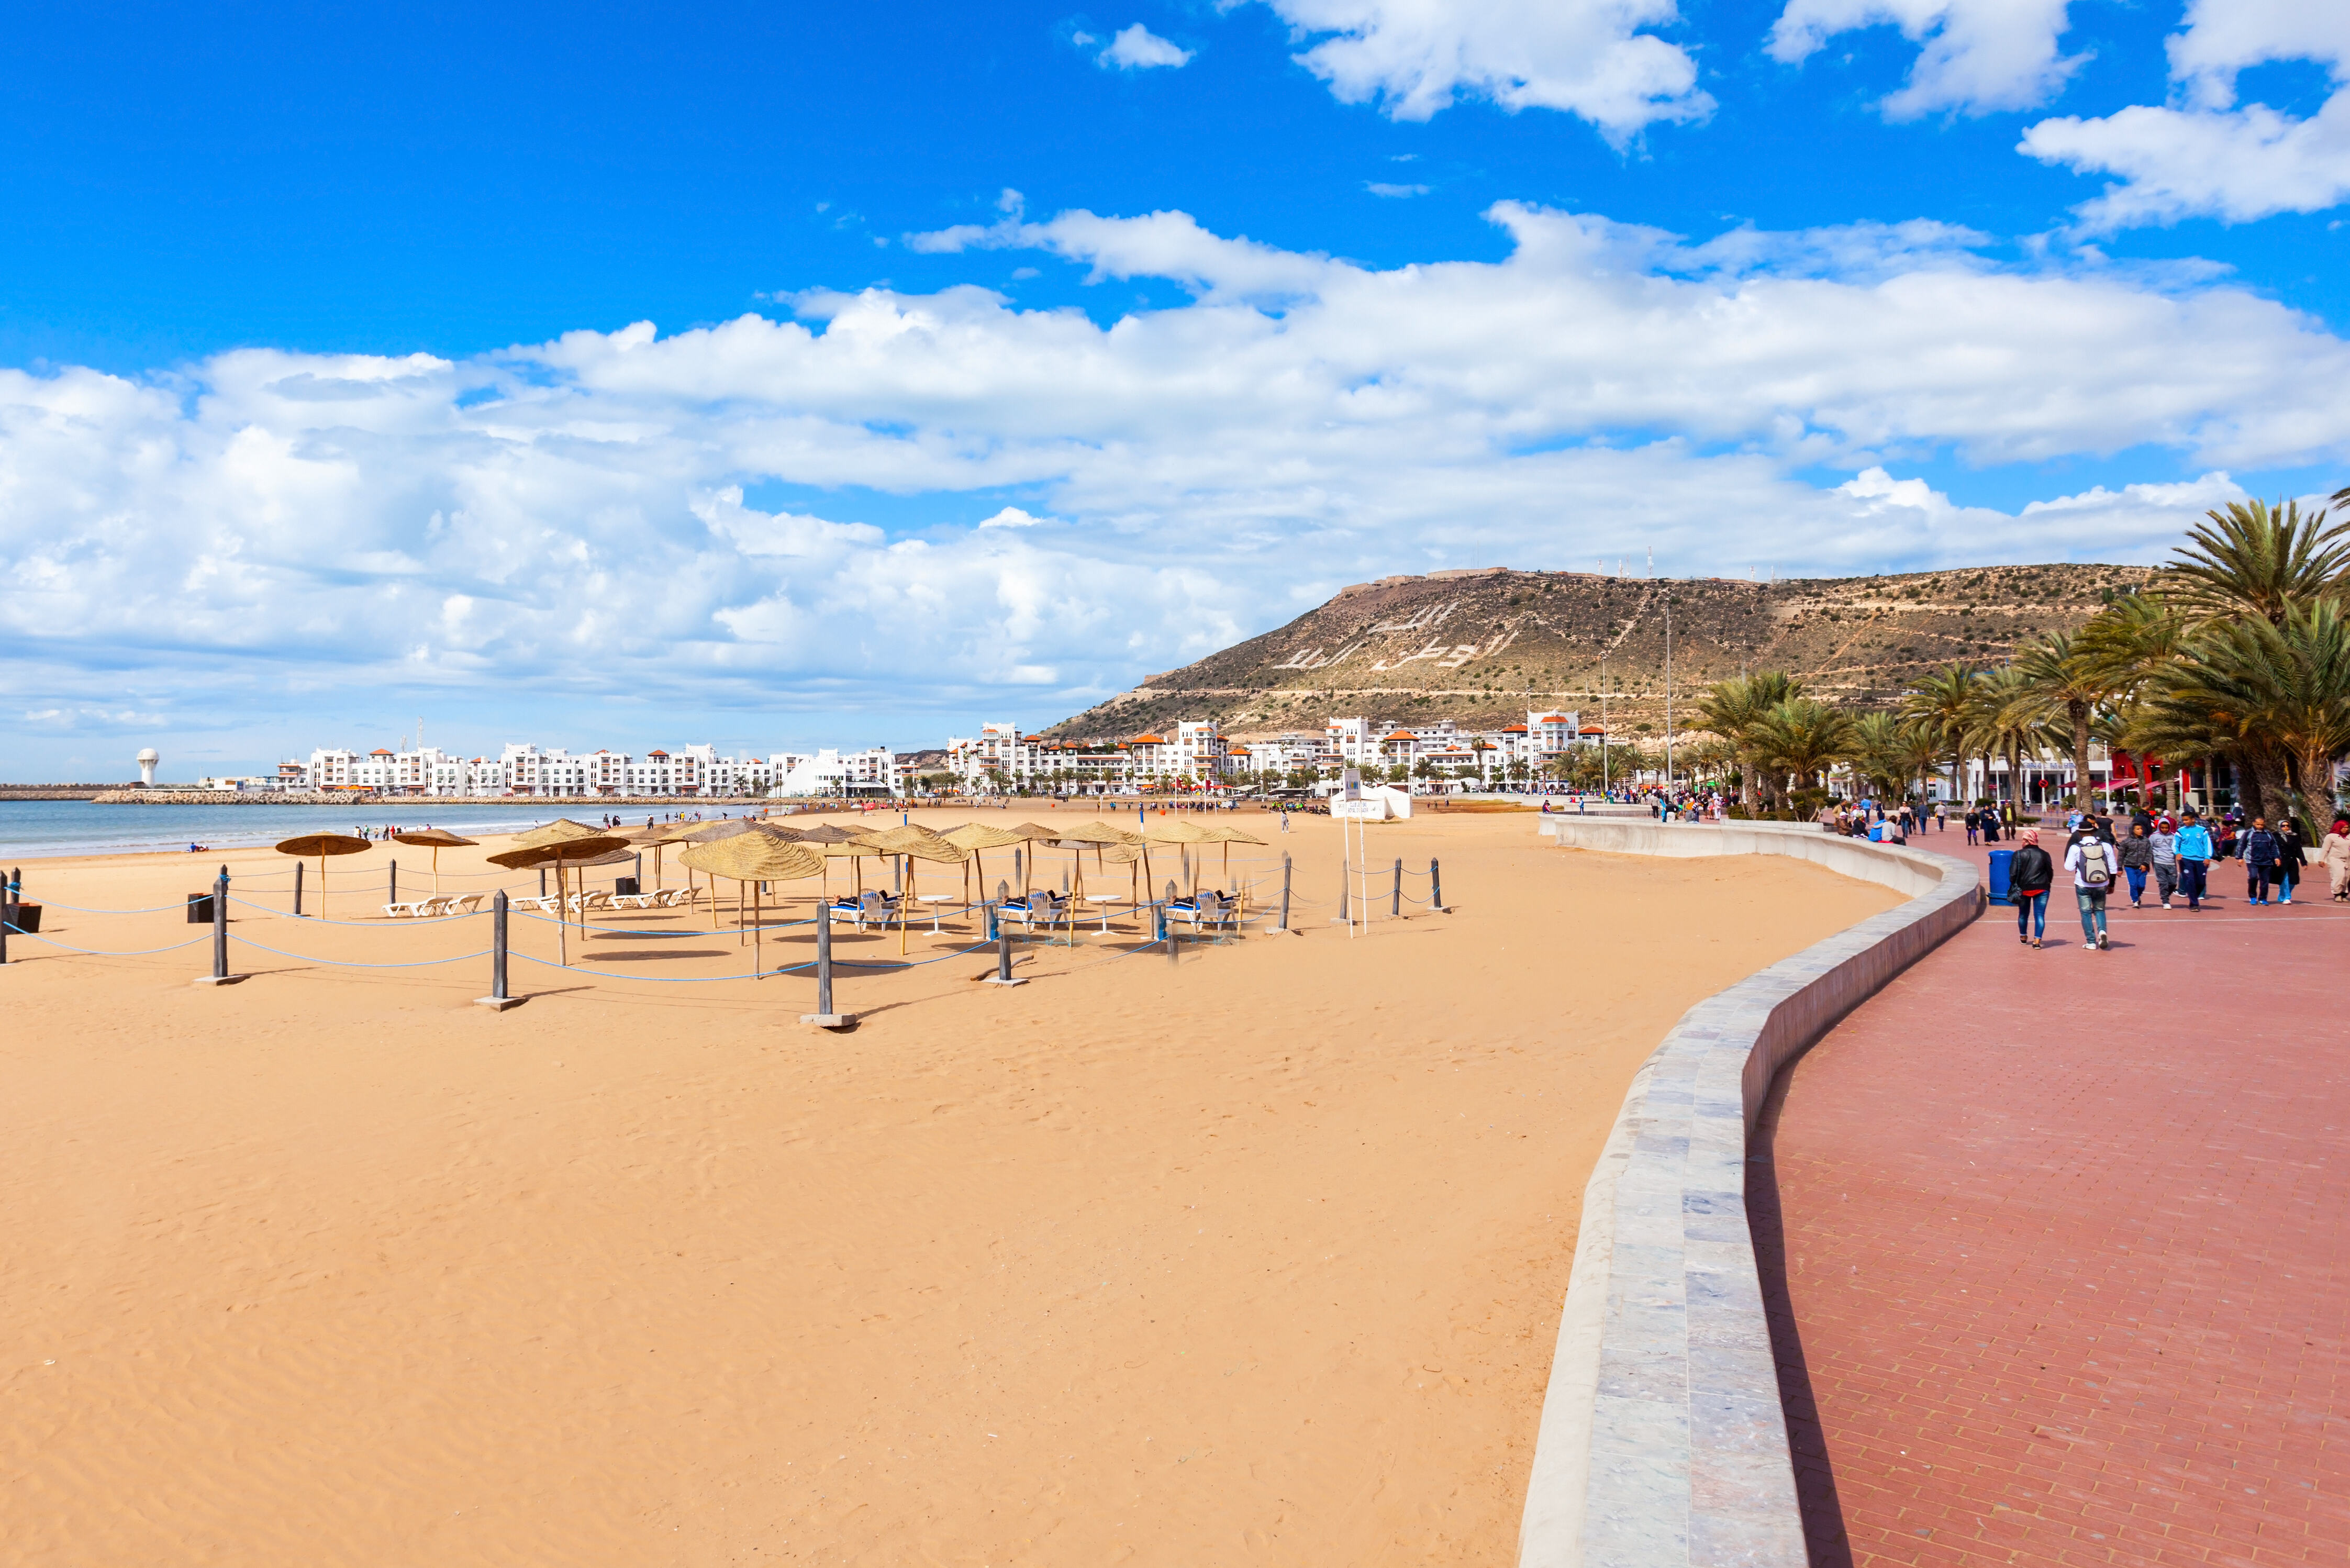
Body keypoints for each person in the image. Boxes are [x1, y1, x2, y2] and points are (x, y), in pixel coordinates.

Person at [2067, 829, 2118, 950]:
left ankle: (2091, 942)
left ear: (2080, 833)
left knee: (2086, 913)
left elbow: (2069, 867)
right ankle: (2102, 932)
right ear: (2094, 832)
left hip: (2083, 884)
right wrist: (2112, 884)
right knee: (2100, 910)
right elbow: (2113, 867)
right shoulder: (2105, 846)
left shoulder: (2076, 847)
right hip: (2101, 883)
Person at [2011, 827, 2054, 949]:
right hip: (2042, 888)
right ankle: (2037, 941)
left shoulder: (2018, 854)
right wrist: (2047, 883)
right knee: (2040, 915)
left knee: (2023, 914)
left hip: (2024, 888)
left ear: (2026, 840)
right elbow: (2050, 872)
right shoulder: (2045, 854)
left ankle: (2023, 937)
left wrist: (2015, 884)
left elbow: (2013, 874)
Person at [2174, 809, 2213, 910]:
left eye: (2187, 820)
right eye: (2183, 820)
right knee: (2190, 880)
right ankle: (2194, 904)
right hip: (2186, 860)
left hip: (2201, 860)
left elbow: (2208, 844)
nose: (2185, 822)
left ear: (2193, 820)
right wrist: (2177, 853)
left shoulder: (2202, 831)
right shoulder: (2180, 831)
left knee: (2201, 883)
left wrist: (2208, 857)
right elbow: (2175, 845)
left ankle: (2194, 897)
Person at [2243, 817, 2280, 904]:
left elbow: (2274, 846)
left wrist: (2277, 857)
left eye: (2262, 825)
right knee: (2253, 877)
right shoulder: (2248, 833)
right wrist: (2239, 857)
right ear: (2254, 824)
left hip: (2266, 861)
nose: (2260, 826)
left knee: (2265, 881)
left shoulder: (2268, 834)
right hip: (2252, 861)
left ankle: (2263, 899)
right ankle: (2253, 897)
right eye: (2258, 824)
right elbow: (2242, 845)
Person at [2117, 824, 2154, 908]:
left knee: (2141, 885)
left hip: (2142, 867)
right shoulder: (2126, 842)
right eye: (2138, 829)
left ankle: (2138, 895)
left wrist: (2145, 863)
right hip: (2130, 866)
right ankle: (2135, 901)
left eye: (2141, 829)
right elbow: (2121, 855)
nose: (2140, 830)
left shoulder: (2146, 841)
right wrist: (2120, 868)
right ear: (2133, 830)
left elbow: (2149, 853)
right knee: (2133, 884)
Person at [2274, 816, 2307, 904]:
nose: (2285, 827)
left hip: (2292, 861)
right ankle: (2287, 897)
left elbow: (2299, 849)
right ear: (2280, 827)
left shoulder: (2294, 836)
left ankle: (2282, 895)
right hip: (2281, 861)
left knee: (2293, 881)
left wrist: (2304, 862)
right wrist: (2275, 858)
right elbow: (2273, 848)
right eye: (2283, 826)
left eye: (2287, 826)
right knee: (2284, 880)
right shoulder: (2275, 836)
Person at [2148, 817, 2179, 908]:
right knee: (2163, 883)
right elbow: (2149, 848)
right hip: (2159, 862)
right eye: (2163, 828)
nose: (2165, 830)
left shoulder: (2174, 836)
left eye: (2166, 828)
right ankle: (2165, 901)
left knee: (2173, 883)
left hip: (2171, 862)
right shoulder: (2153, 836)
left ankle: (2166, 895)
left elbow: (2177, 847)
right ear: (2159, 827)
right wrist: (2147, 862)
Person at [2324, 818, 2350, 903]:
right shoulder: (2331, 836)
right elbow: (2325, 849)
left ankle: (2344, 894)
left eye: (2347, 827)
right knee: (2340, 876)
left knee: (2347, 877)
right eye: (2344, 827)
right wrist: (2321, 860)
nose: (2346, 829)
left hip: (2348, 860)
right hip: (2335, 859)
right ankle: (2337, 894)